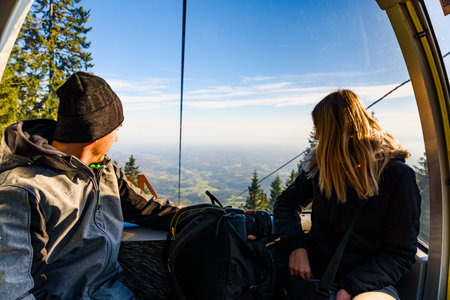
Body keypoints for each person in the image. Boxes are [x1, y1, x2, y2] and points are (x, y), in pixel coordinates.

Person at [0, 72, 178, 299]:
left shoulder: (104, 170)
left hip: (113, 290)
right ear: (97, 135)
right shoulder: (23, 192)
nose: (116, 138)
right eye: (117, 128)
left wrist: (206, 217)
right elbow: (13, 290)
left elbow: (148, 209)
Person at [273, 89, 421, 300]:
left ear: (336, 133)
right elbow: (286, 204)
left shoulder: (397, 177)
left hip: (369, 283)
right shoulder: (320, 169)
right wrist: (297, 248)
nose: (316, 137)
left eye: (320, 129)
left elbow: (400, 252)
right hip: (315, 274)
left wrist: (352, 286)